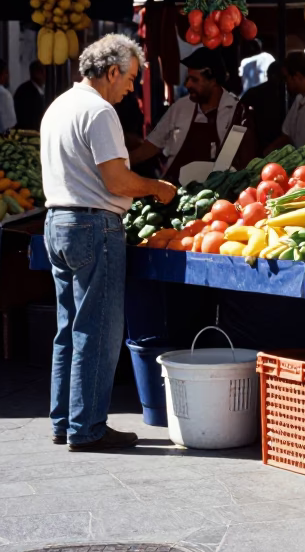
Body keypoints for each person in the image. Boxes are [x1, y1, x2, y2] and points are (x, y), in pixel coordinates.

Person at [41, 34, 176, 452]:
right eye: (131, 78)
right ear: (112, 71)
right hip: (92, 227)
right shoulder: (99, 112)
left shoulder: (58, 106)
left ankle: (64, 422)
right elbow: (116, 180)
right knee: (97, 330)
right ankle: (88, 428)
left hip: (57, 223)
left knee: (68, 328)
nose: (131, 88)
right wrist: (156, 188)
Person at [128, 48, 256, 184]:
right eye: (188, 78)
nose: (187, 84)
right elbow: (152, 145)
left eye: (194, 80)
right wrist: (121, 163)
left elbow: (246, 163)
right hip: (174, 192)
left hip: (216, 194)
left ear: (213, 81)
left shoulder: (237, 112)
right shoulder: (180, 107)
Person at [14, 60, 47, 131]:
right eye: (43, 71)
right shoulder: (26, 91)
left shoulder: (39, 89)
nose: (46, 75)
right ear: (37, 73)